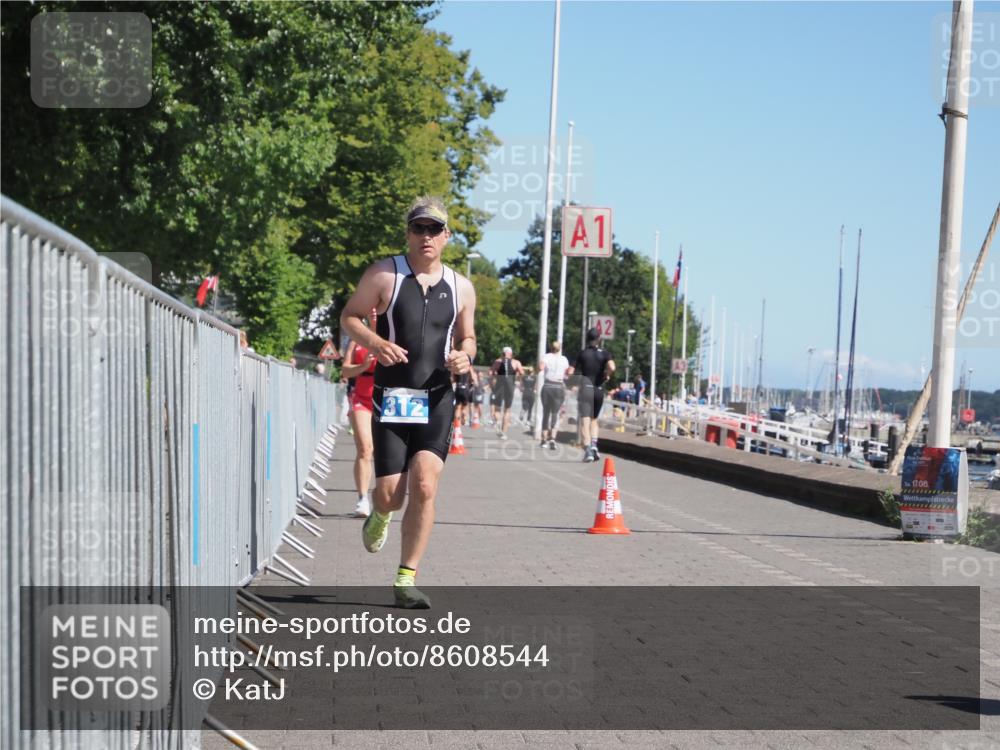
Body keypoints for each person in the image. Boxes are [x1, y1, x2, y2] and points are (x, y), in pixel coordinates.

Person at [340, 196, 476, 609]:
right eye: (419, 228)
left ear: (447, 236)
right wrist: (376, 343)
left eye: (434, 230)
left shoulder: (461, 286)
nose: (426, 237)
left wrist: (465, 355)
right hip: (394, 397)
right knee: (391, 495)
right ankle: (379, 514)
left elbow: (467, 337)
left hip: (437, 396)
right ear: (408, 233)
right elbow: (350, 316)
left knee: (425, 484)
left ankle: (406, 577)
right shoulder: (385, 274)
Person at [341, 308, 379, 518]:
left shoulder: (392, 336)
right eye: (371, 311)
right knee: (365, 448)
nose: (374, 313)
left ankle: (384, 496)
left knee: (388, 453)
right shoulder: (356, 340)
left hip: (388, 401)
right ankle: (363, 499)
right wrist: (363, 365)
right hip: (362, 400)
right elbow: (345, 371)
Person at [573, 327, 616, 463]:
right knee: (594, 420)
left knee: (584, 420)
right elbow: (612, 367)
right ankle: (594, 445)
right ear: (599, 339)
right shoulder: (604, 353)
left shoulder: (582, 353)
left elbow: (571, 370)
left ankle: (588, 450)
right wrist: (606, 375)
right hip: (598, 390)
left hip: (585, 389)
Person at [538, 341, 570, 449]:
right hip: (559, 386)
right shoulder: (564, 359)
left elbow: (541, 368)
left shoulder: (546, 356)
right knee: (555, 413)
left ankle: (543, 440)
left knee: (546, 412)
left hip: (548, 385)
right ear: (560, 349)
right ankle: (553, 438)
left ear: (550, 348)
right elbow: (568, 373)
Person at [490, 346, 523, 440]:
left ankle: (498, 422)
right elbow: (521, 372)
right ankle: (504, 433)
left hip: (499, 387)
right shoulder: (516, 362)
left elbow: (491, 372)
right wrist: (517, 380)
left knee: (497, 408)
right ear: (511, 354)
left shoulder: (497, 361)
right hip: (510, 387)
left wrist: (492, 383)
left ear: (502, 353)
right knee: (507, 410)